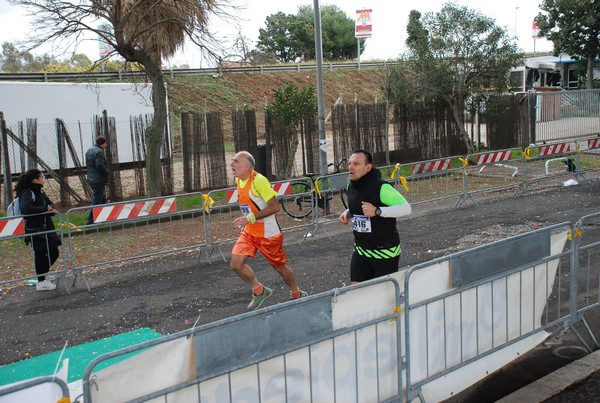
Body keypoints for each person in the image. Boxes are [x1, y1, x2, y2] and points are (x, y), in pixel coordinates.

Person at [230, 151, 308, 310]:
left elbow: (274, 207)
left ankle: (296, 293)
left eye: (236, 161)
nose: (232, 164)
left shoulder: (259, 181)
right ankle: (260, 291)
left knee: (280, 267)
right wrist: (248, 219)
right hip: (250, 231)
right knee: (236, 264)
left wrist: (249, 217)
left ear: (248, 166)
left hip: (268, 233)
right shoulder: (239, 180)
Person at [338, 149, 412, 284]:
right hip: (361, 249)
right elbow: (358, 204)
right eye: (349, 163)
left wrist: (378, 211)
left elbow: (406, 208)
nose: (350, 167)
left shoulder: (381, 187)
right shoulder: (351, 186)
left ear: (368, 167)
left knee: (384, 294)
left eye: (356, 164)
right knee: (356, 290)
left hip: (384, 250)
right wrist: (348, 213)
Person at [15, 169, 61, 291]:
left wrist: (49, 209)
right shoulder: (27, 192)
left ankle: (43, 275)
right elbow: (26, 208)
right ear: (35, 179)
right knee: (41, 253)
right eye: (41, 177)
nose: (43, 179)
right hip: (35, 228)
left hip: (46, 226)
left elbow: (50, 204)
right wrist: (44, 209)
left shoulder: (39, 191)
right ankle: (41, 280)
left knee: (53, 251)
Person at [85, 135, 109, 225]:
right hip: (98, 179)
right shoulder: (99, 152)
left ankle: (104, 218)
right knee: (97, 201)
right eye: (106, 142)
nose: (106, 144)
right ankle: (90, 222)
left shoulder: (90, 150)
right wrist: (106, 171)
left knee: (102, 199)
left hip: (91, 178)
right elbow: (99, 165)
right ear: (103, 143)